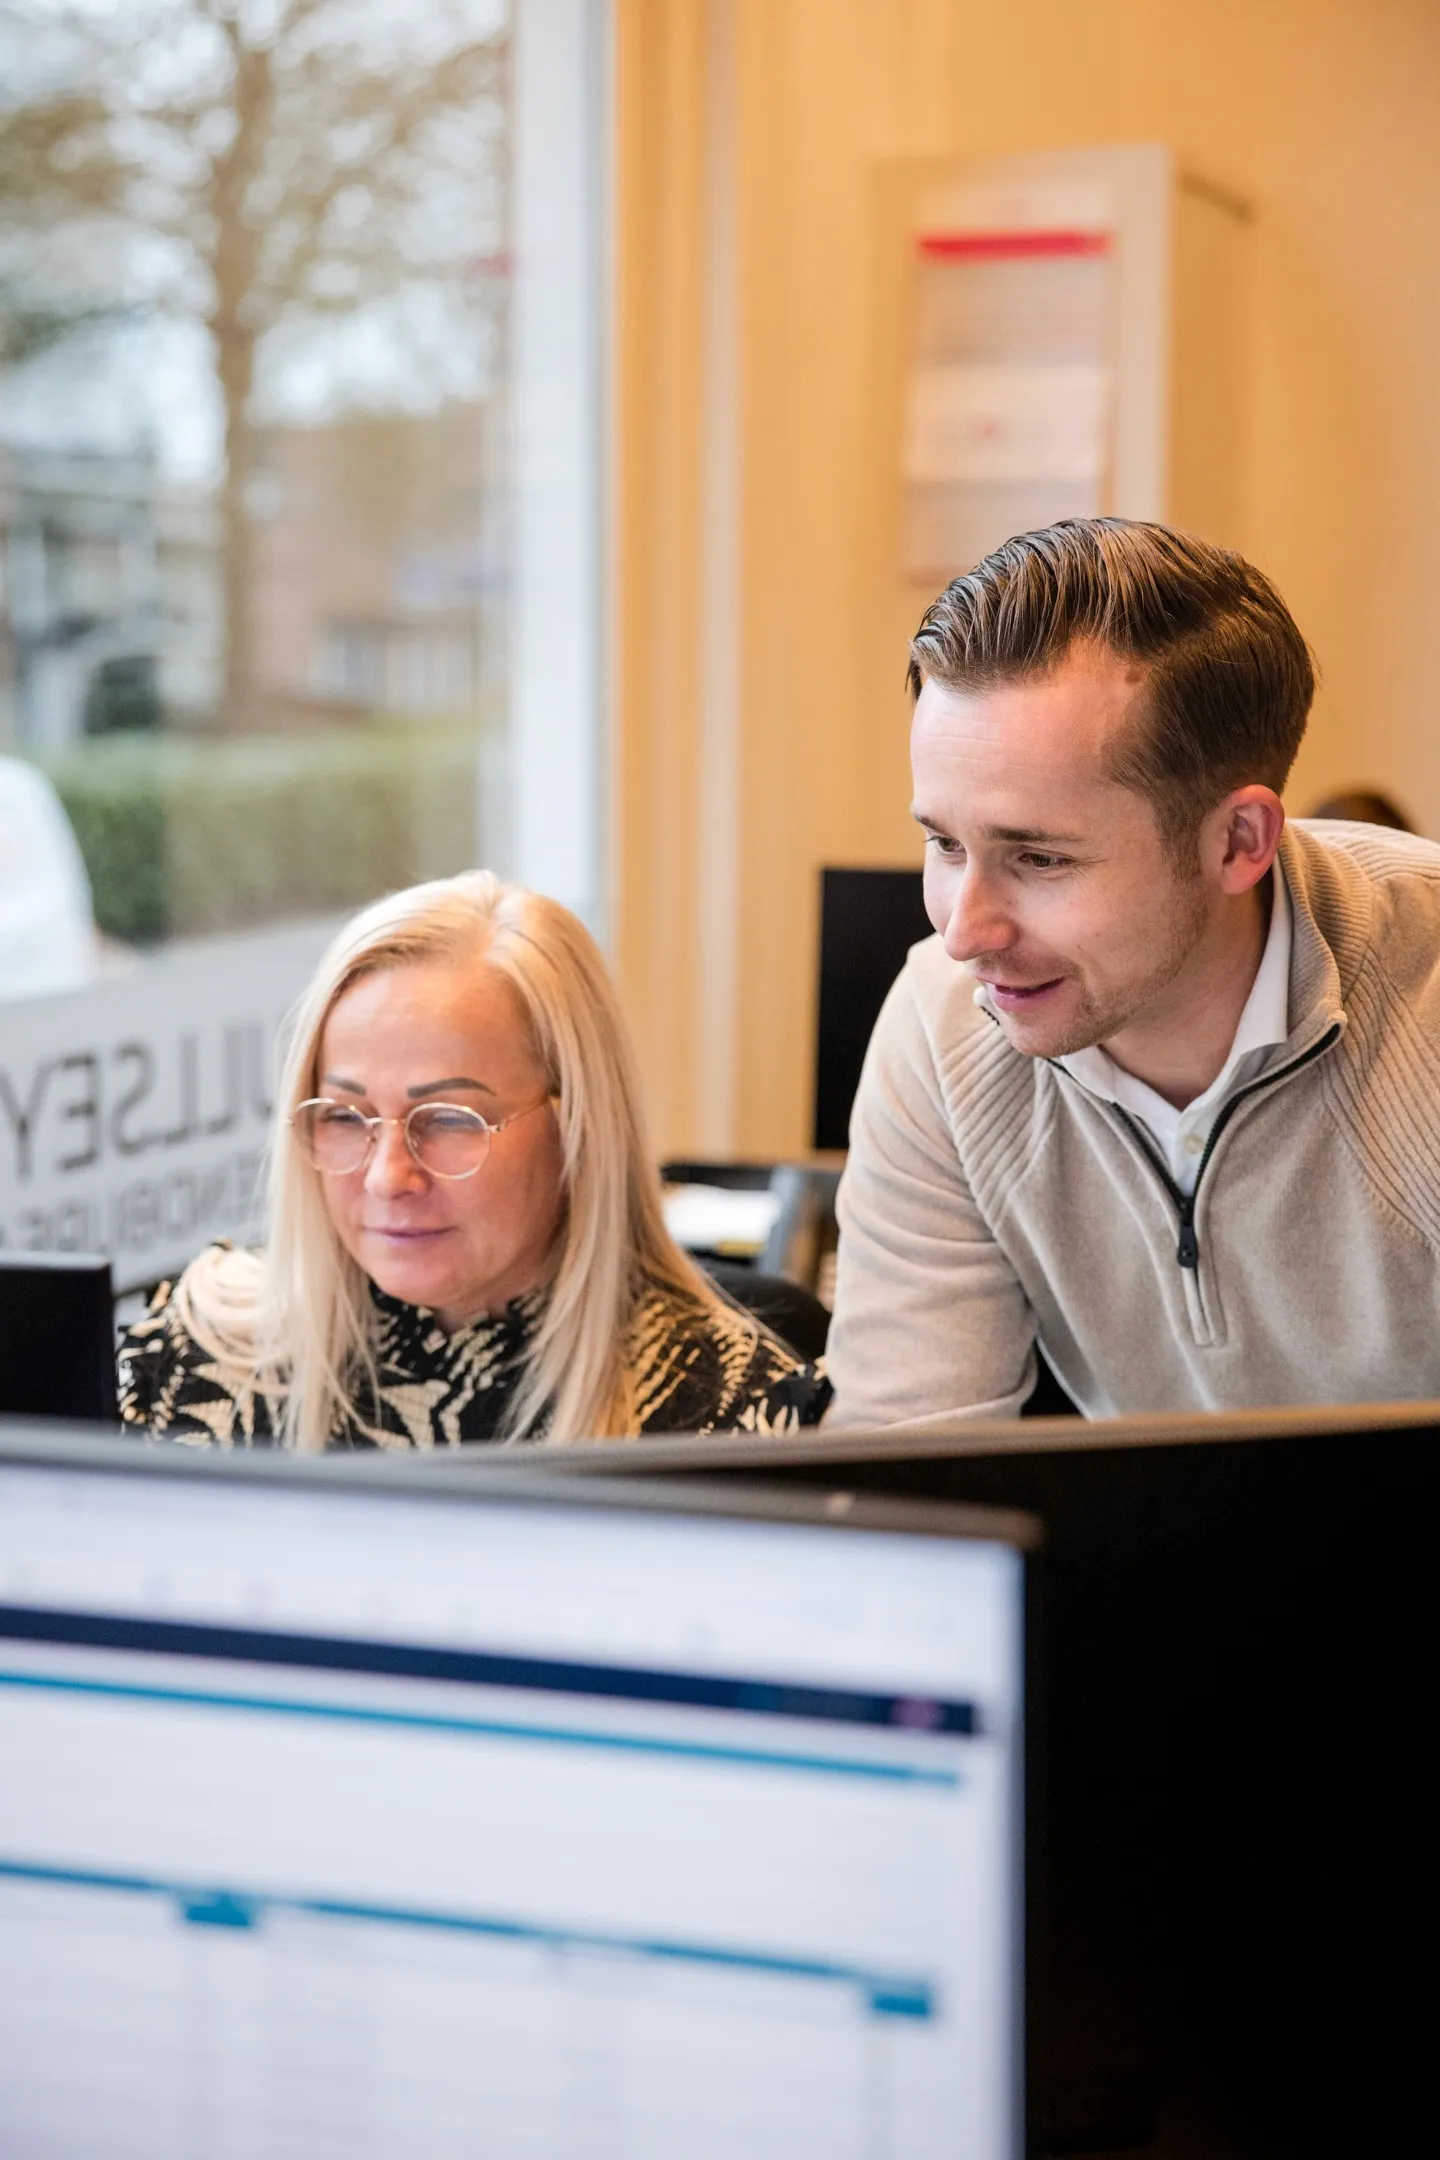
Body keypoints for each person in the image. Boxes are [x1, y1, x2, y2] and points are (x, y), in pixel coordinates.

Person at [826, 517, 1440, 1427]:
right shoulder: (941, 1028)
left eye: (1041, 859)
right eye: (945, 844)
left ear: (1238, 841)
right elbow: (907, 1466)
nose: (963, 934)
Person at [120, 872, 830, 1447]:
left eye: (450, 1120)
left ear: (577, 1124)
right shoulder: (194, 1359)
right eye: (343, 1116)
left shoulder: (732, 1417)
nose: (387, 1177)